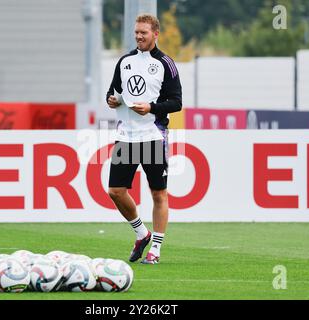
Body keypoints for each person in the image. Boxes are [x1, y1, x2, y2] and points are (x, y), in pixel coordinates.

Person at [106, 14, 182, 264]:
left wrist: (151, 108)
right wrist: (111, 100)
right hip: (126, 136)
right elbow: (113, 91)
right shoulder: (125, 61)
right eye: (136, 32)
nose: (139, 36)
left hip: (152, 135)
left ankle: (156, 249)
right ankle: (141, 233)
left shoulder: (165, 64)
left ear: (155, 34)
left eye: (144, 33)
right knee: (116, 191)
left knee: (158, 193)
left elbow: (176, 103)